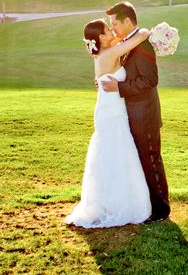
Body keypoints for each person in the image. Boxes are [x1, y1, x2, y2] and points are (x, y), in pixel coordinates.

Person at [65, 19, 152, 228]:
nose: (112, 29)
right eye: (108, 28)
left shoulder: (105, 53)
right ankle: (120, 204)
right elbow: (140, 36)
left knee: (111, 155)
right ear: (101, 37)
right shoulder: (111, 53)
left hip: (109, 109)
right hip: (112, 112)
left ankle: (108, 201)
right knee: (118, 155)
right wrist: (152, 32)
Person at [102, 1, 171, 222]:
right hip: (132, 113)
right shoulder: (130, 42)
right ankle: (149, 205)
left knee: (151, 160)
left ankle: (161, 210)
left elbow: (150, 80)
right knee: (142, 161)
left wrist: (119, 88)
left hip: (145, 115)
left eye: (115, 24)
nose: (113, 29)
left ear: (128, 21)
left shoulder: (142, 45)